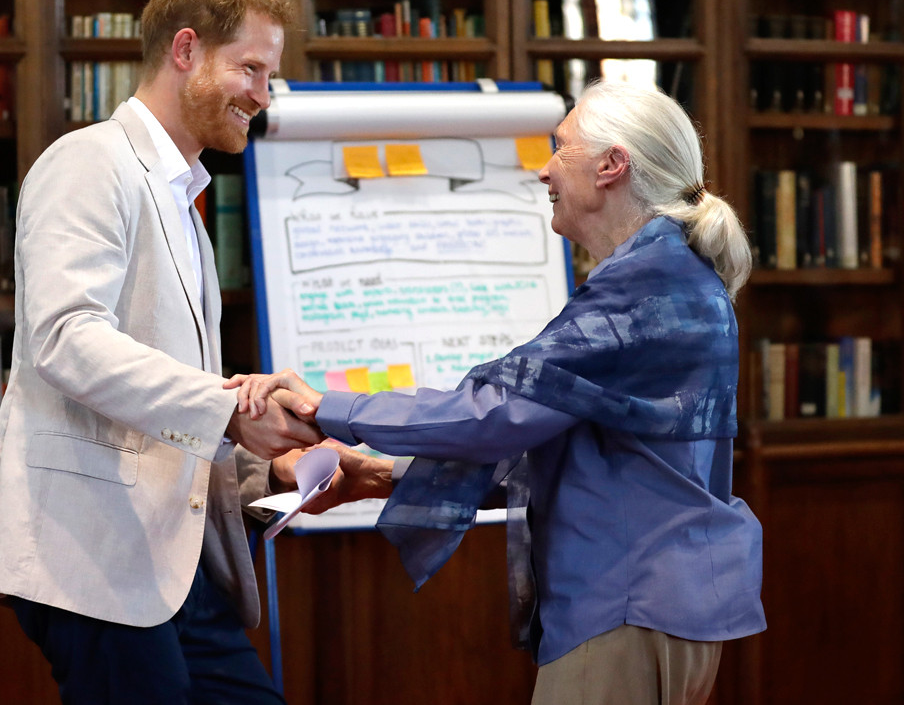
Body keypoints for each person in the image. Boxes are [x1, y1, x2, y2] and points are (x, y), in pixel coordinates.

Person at [228, 80, 767, 705]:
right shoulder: (667, 276)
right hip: (662, 597)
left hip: (627, 599)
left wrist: (329, 407)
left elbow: (492, 413)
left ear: (611, 165)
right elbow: (560, 441)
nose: (543, 170)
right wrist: (382, 472)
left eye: (559, 149)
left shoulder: (645, 289)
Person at [0, 0, 390, 705]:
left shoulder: (183, 197)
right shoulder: (90, 161)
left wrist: (273, 475)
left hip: (171, 562)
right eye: (250, 67)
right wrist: (234, 411)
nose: (263, 93)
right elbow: (64, 338)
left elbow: (162, 420)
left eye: (269, 73)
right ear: (185, 50)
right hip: (91, 555)